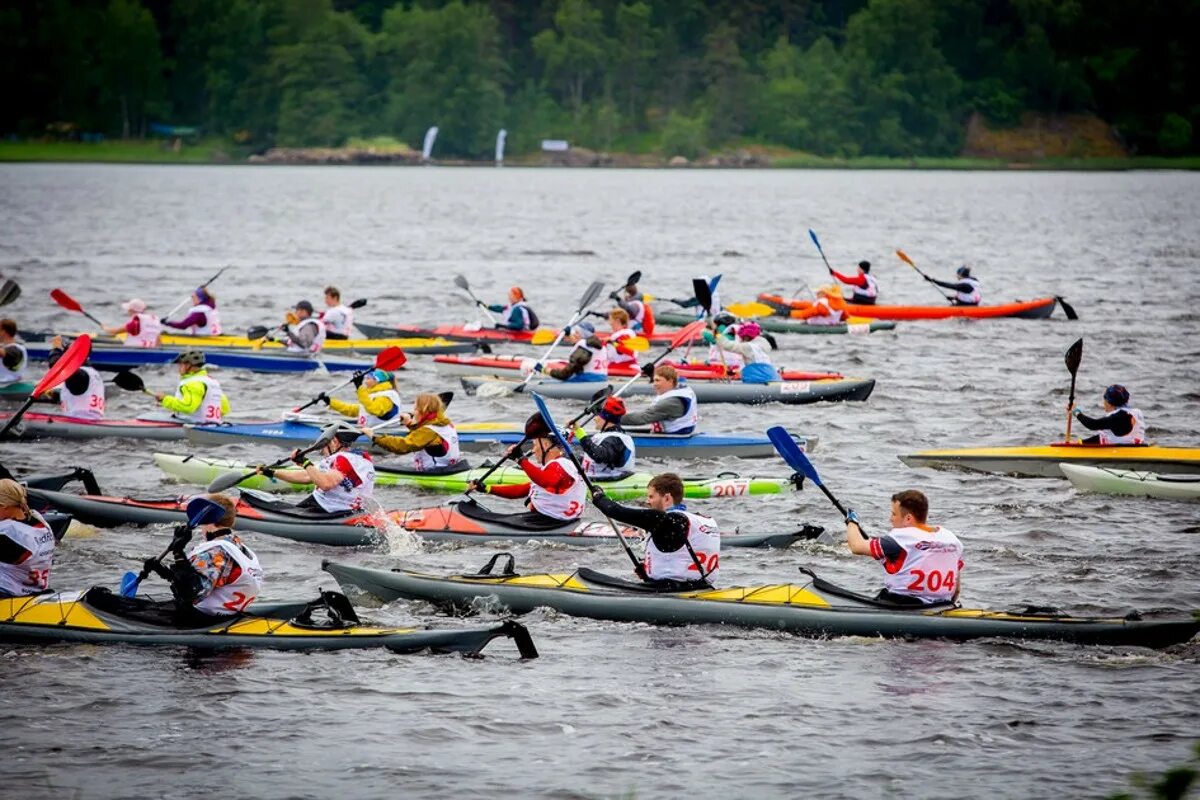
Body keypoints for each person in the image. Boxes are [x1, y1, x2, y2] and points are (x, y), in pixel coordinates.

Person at [590, 473, 719, 586]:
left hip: (673, 590)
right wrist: (647, 570)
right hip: (700, 586)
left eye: (651, 497)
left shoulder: (665, 520)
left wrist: (599, 497)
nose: (648, 502)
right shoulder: (703, 520)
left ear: (667, 498)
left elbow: (616, 511)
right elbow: (683, 555)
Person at [843, 490, 962, 606]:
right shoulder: (952, 539)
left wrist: (852, 521)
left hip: (903, 605)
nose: (891, 519)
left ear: (908, 518)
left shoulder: (899, 539)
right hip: (942, 606)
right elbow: (956, 591)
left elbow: (856, 546)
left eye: (894, 514)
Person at [157, 493, 264, 619]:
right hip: (229, 614)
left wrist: (178, 553)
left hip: (201, 618)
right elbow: (215, 577)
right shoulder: (239, 547)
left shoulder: (215, 552)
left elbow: (192, 593)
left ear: (208, 520)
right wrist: (165, 572)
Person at [466, 429, 587, 525]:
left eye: (534, 445)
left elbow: (544, 480)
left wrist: (521, 460)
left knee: (490, 520)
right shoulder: (558, 466)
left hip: (550, 522)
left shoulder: (561, 465)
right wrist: (487, 488)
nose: (533, 450)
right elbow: (521, 491)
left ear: (545, 445)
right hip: (550, 521)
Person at [263, 429, 376, 512]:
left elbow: (326, 484)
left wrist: (305, 462)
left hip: (327, 507)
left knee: (281, 511)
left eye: (324, 445)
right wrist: (273, 473)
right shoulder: (361, 457)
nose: (322, 451)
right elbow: (307, 477)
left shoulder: (342, 459)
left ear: (335, 442)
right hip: (347, 508)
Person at [366, 393, 462, 472]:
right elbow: (422, 436)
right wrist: (409, 424)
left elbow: (403, 446)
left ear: (423, 410)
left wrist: (375, 437)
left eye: (415, 409)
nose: (413, 412)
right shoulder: (444, 422)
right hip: (451, 469)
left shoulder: (428, 430)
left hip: (435, 473)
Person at [0, 479, 55, 597]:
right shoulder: (40, 521)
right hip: (37, 590)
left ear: (4, 506)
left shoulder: (6, 533)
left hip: (8, 595)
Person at [618, 365, 698, 434]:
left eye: (657, 381)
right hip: (676, 432)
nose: (654, 385)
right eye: (654, 380)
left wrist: (613, 418)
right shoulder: (679, 388)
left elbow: (642, 418)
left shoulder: (671, 402)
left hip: (675, 438)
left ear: (670, 381)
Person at [154, 350, 229, 423]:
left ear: (188, 365)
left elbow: (188, 406)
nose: (178, 368)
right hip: (212, 424)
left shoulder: (191, 383)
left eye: (180, 364)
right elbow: (225, 409)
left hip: (192, 425)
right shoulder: (212, 381)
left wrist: (164, 399)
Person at [572, 396, 635, 479]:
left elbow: (599, 456)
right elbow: (590, 459)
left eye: (598, 416)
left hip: (608, 482)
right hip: (593, 479)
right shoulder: (607, 436)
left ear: (607, 419)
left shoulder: (616, 439)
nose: (595, 419)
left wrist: (581, 434)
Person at [48, 335, 105, 419]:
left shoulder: (80, 376)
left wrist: (56, 349)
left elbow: (57, 367)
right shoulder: (91, 373)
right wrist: (55, 395)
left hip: (80, 424)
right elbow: (81, 397)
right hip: (92, 422)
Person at [704, 321, 780, 383]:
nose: (740, 339)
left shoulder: (748, 347)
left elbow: (726, 345)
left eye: (741, 337)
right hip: (772, 377)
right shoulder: (761, 345)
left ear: (746, 337)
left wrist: (716, 334)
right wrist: (732, 373)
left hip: (758, 379)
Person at [322, 368, 401, 427]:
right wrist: (330, 402)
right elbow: (352, 410)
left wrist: (359, 388)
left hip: (384, 434)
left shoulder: (386, 396)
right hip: (367, 431)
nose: (365, 381)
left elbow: (374, 410)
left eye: (368, 378)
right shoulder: (372, 396)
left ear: (377, 381)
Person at [1072, 385, 1146, 445]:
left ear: (1109, 402)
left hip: (1123, 453)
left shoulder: (1117, 417)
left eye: (1104, 400)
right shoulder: (1137, 412)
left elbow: (1092, 424)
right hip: (1139, 447)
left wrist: (1076, 412)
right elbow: (1106, 436)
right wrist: (1082, 443)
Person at [539, 321, 607, 382]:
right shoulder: (600, 346)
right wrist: (567, 335)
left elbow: (564, 375)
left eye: (577, 333)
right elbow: (578, 342)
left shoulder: (583, 348)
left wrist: (544, 370)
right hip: (603, 378)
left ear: (583, 335)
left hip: (588, 379)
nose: (574, 334)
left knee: (552, 381)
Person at [0, 319, 28, 387]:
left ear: (3, 332)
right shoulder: (21, 347)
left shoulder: (16, 349)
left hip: (7, 387)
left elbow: (5, 353)